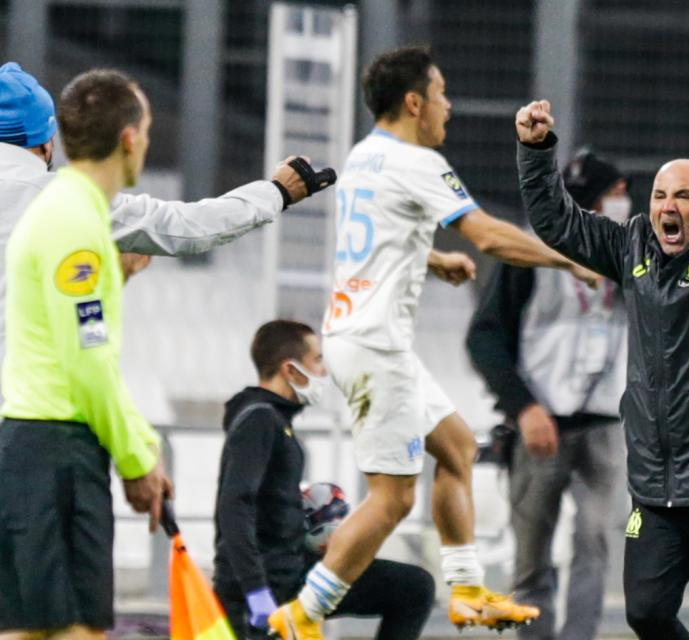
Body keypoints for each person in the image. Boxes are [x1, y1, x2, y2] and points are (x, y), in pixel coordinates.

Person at [269, 47, 599, 638]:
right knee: (392, 499)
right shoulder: (420, 162)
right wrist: (567, 259)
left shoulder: (364, 156)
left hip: (365, 341)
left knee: (457, 447)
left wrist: (433, 257)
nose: (449, 104)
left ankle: (468, 590)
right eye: (441, 92)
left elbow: (376, 242)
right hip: (374, 350)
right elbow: (491, 237)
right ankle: (301, 615)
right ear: (415, 102)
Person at [514, 100, 689, 640]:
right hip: (659, 480)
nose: (668, 205)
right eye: (661, 195)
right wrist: (534, 150)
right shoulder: (632, 244)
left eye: (684, 196)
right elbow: (556, 223)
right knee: (645, 611)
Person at [0, 61, 336, 393]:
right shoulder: (67, 197)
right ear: (46, 143)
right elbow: (189, 227)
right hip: (24, 408)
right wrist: (277, 192)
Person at [0, 69, 172, 638]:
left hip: (22, 444)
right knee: (77, 631)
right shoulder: (74, 218)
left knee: (25, 628)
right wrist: (136, 457)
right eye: (146, 128)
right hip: (55, 451)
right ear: (129, 138)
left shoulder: (61, 215)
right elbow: (87, 359)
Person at [465, 147, 629, 640]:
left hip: (604, 424)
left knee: (595, 543)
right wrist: (523, 406)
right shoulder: (531, 254)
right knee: (532, 555)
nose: (620, 204)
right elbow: (485, 337)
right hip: (541, 426)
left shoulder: (628, 253)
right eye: (612, 196)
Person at [213, 320, 435, 640]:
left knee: (413, 588)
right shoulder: (260, 420)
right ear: (290, 370)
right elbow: (234, 506)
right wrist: (255, 589)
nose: (323, 372)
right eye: (317, 360)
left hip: (294, 574)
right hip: (266, 588)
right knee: (413, 589)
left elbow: (266, 505)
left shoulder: (275, 421)